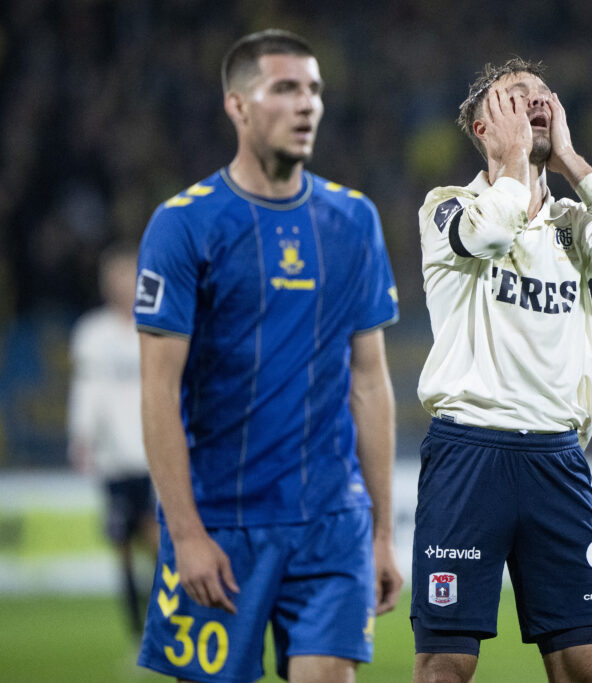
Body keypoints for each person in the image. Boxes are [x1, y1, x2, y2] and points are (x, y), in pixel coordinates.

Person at [134, 29, 402, 683]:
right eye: (285, 88)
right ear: (238, 106)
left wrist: (383, 531)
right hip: (223, 524)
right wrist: (187, 533)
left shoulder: (354, 220)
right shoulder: (184, 225)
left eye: (313, 90)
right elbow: (157, 393)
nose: (306, 104)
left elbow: (370, 382)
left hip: (331, 520)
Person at [411, 58, 592, 683]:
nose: (535, 102)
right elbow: (492, 236)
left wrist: (573, 165)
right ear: (482, 128)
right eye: (513, 99)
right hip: (469, 452)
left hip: (556, 459)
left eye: (543, 95)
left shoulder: (573, 230)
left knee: (587, 664)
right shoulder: (450, 209)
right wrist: (512, 168)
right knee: (446, 662)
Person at [68, 242, 159, 636]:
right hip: (114, 457)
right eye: (117, 278)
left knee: (158, 538)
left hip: (155, 451)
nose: (124, 285)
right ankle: (136, 629)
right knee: (122, 544)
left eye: (130, 276)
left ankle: (167, 618)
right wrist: (81, 436)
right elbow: (85, 389)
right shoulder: (92, 332)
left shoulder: (156, 325)